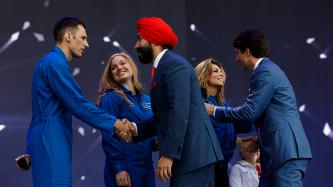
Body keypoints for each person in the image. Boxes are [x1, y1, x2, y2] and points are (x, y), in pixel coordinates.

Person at [25, 17, 128, 187]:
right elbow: (78, 104)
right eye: (83, 38)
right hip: (52, 138)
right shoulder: (55, 63)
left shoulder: (46, 62)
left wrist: (29, 150)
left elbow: (37, 114)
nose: (86, 44)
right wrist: (115, 123)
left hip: (44, 138)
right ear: (68, 37)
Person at [205, 29, 312, 187]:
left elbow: (249, 112)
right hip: (276, 152)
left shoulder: (265, 72)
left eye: (237, 53)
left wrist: (214, 110)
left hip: (284, 152)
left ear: (247, 52)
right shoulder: (267, 70)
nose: (236, 58)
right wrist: (259, 139)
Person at [129, 17, 223, 187]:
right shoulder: (164, 66)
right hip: (190, 158)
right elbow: (164, 116)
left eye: (139, 39)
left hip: (194, 157)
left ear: (154, 40)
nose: (136, 45)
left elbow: (179, 112)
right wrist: (135, 129)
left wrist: (169, 154)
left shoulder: (173, 65)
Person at [97, 53, 157, 187]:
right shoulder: (111, 98)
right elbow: (108, 135)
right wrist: (119, 168)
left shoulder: (147, 100)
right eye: (113, 67)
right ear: (111, 75)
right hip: (126, 167)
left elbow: (151, 131)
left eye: (123, 63)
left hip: (147, 167)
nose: (119, 68)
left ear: (132, 66)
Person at [195, 58, 253, 187]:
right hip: (203, 169)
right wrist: (236, 141)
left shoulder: (224, 106)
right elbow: (208, 136)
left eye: (221, 71)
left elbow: (245, 123)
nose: (221, 73)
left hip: (222, 168)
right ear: (204, 75)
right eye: (215, 71)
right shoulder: (197, 104)